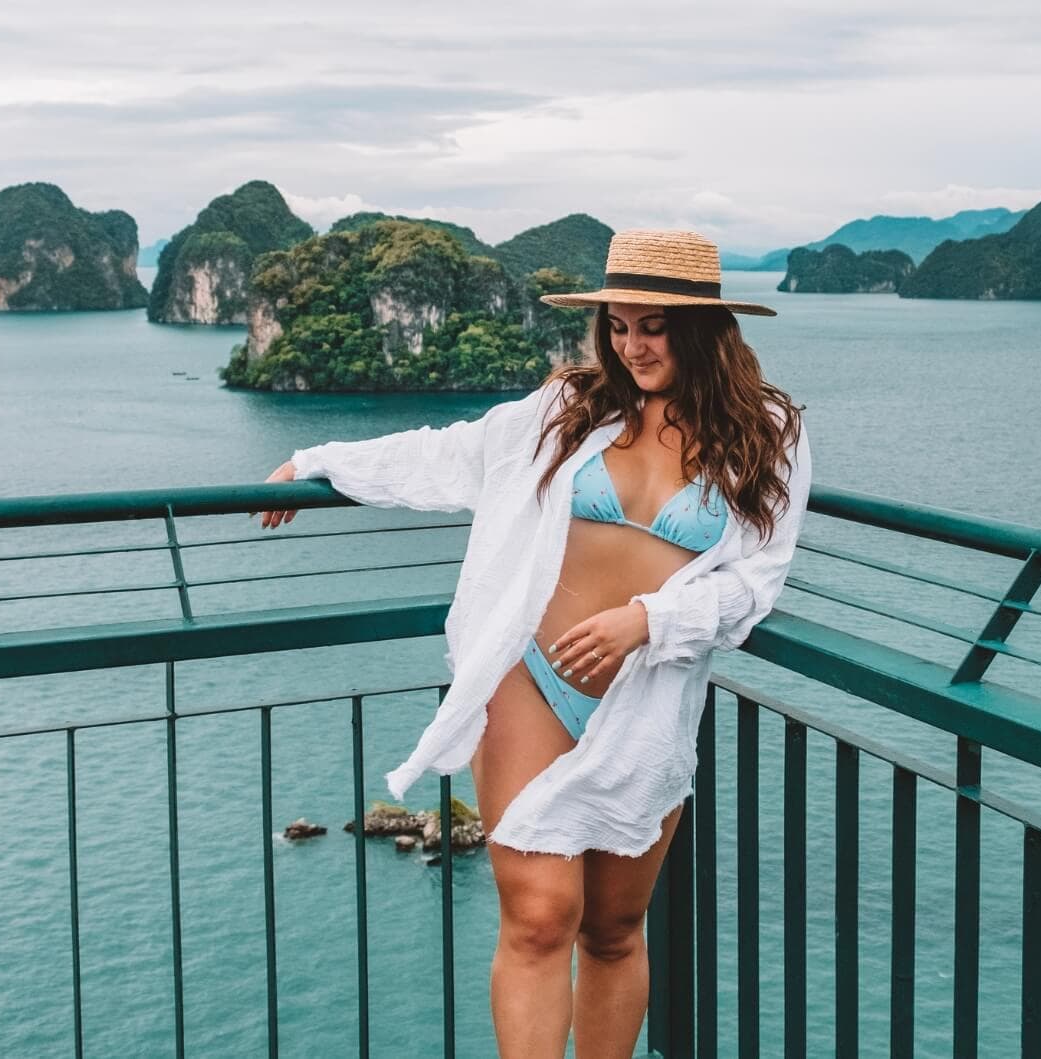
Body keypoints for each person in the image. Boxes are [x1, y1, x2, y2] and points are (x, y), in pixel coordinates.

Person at [256, 228, 812, 1058]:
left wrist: (649, 622)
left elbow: (757, 582)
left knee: (617, 928)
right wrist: (316, 460)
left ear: (705, 327)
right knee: (540, 916)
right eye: (619, 326)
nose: (631, 345)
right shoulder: (570, 408)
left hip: (644, 699)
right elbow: (447, 453)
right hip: (531, 674)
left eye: (652, 326)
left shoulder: (770, 431)